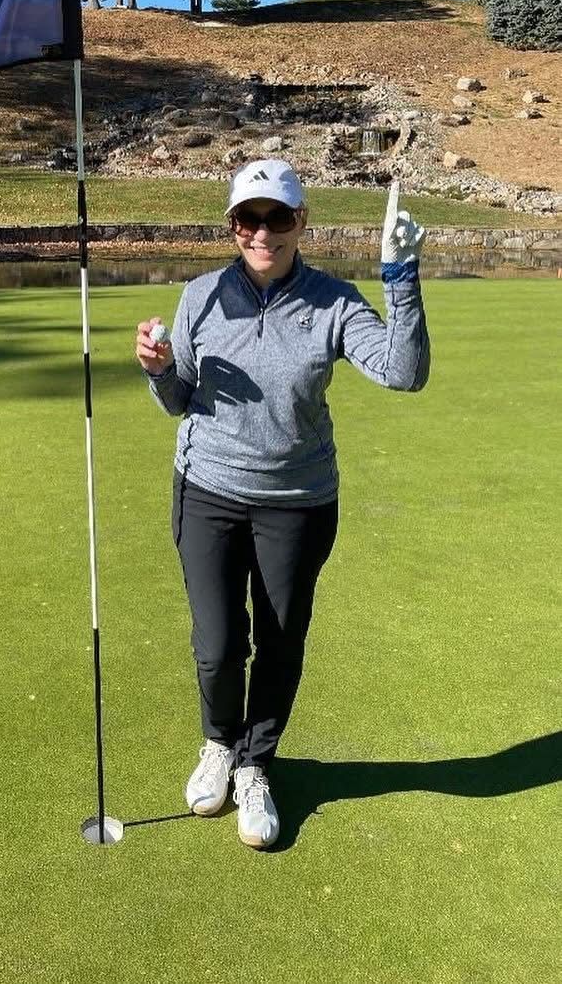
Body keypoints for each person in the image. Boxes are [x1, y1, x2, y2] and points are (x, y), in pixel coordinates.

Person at [135, 159, 430, 849]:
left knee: (278, 641)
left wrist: (400, 277)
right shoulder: (200, 295)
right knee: (216, 646)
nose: (261, 232)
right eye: (247, 218)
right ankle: (218, 744)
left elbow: (402, 373)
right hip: (206, 490)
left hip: (296, 501)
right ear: (231, 226)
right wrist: (156, 369)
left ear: (301, 222)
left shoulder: (333, 300)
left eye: (276, 218)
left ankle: (255, 765)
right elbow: (179, 400)